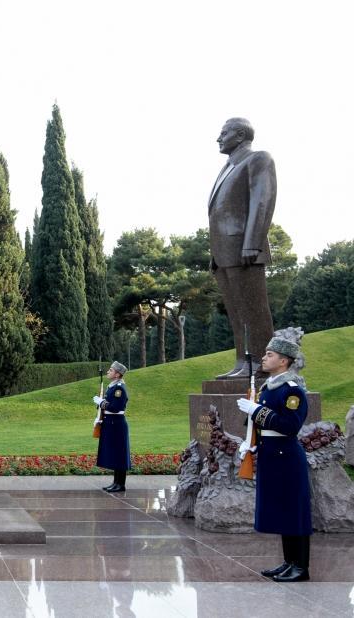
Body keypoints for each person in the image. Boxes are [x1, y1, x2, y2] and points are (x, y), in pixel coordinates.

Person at [236, 333, 312, 582]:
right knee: (283, 511)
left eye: (270, 355)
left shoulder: (292, 391)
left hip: (287, 458)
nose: (264, 358)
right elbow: (262, 426)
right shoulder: (269, 388)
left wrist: (257, 410)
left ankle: (301, 567)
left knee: (294, 512)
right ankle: (289, 562)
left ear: (284, 361)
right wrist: (253, 444)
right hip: (271, 455)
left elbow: (289, 426)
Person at [208, 117, 276, 378]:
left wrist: (252, 243)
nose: (219, 138)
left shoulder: (258, 159)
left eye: (223, 133)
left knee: (253, 310)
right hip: (223, 252)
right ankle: (242, 362)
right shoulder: (228, 166)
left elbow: (262, 201)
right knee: (237, 313)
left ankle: (260, 364)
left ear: (239, 135)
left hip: (244, 249)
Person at [93, 361, 130, 493]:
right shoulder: (112, 387)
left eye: (111, 370)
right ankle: (116, 482)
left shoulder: (119, 388)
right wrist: (99, 418)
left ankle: (121, 484)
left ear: (117, 374)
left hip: (117, 424)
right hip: (111, 423)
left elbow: (115, 407)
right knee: (115, 454)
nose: (108, 372)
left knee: (119, 454)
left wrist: (101, 402)